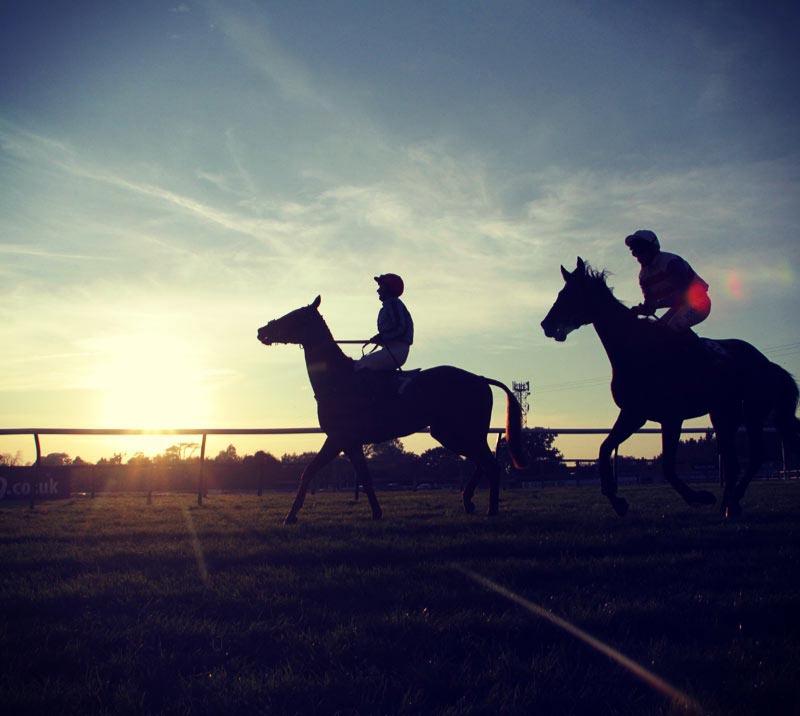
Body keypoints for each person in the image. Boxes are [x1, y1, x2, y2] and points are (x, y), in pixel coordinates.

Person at [625, 229, 710, 332]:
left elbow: (685, 294)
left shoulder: (671, 262)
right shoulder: (643, 277)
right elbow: (651, 306)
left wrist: (657, 304)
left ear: (651, 248)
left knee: (670, 330)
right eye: (634, 251)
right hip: (679, 307)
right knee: (657, 331)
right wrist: (640, 310)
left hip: (699, 302)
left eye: (640, 250)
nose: (637, 255)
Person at [355, 273, 414, 371]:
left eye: (381, 286)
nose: (378, 290)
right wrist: (380, 338)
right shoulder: (389, 305)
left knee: (360, 365)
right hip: (390, 349)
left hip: (397, 351)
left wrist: (382, 337)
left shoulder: (393, 303)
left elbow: (400, 328)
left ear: (388, 289)